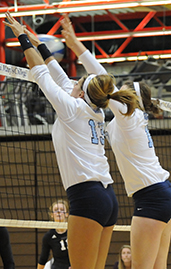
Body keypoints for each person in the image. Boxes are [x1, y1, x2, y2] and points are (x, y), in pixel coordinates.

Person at [3, 12, 140, 269]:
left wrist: (21, 36)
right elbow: (56, 71)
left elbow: (42, 71)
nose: (72, 82)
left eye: (77, 82)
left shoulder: (70, 109)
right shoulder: (93, 109)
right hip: (107, 198)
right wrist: (36, 39)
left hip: (87, 197)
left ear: (81, 93)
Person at [55, 15, 171, 269]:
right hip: (165, 192)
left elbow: (100, 74)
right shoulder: (132, 117)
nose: (116, 90)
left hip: (153, 197)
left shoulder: (128, 113)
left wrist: (76, 44)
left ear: (130, 98)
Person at [37, 199, 70, 269]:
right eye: (56, 210)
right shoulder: (48, 236)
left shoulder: (73, 232)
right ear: (52, 215)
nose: (58, 212)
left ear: (67, 214)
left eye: (62, 209)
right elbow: (43, 259)